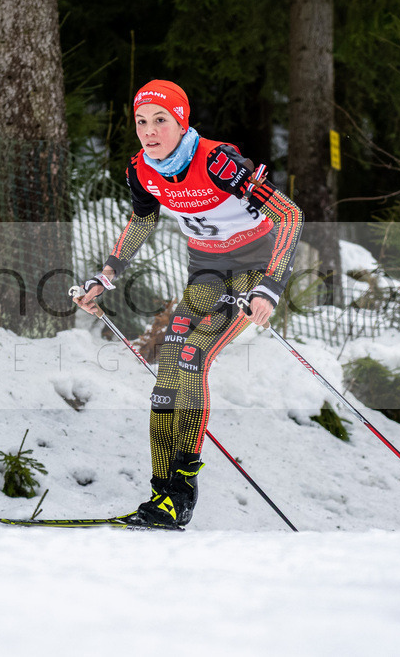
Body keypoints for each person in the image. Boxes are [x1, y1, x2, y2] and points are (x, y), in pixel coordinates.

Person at [72, 79, 304, 527]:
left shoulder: (218, 163)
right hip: (207, 272)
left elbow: (289, 214)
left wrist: (270, 287)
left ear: (181, 122)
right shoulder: (141, 170)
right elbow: (141, 223)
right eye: (141, 122)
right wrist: (105, 276)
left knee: (194, 356)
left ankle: (182, 493)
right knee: (169, 369)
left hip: (254, 267)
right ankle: (163, 498)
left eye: (161, 120)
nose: (150, 131)